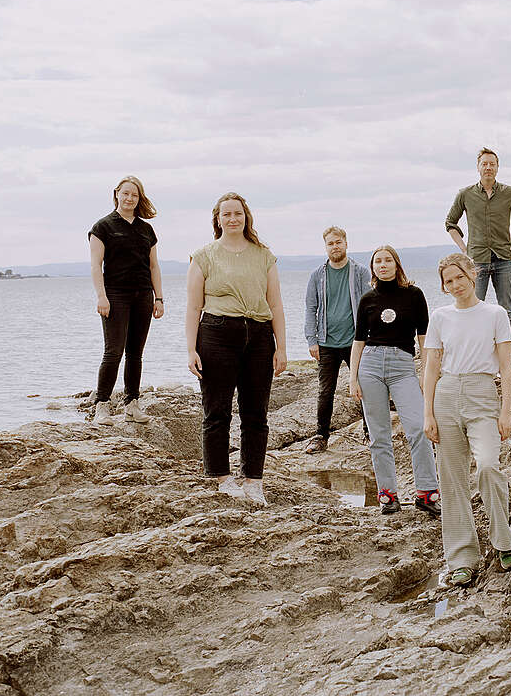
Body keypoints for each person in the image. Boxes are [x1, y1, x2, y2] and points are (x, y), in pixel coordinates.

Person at [185, 192, 287, 506]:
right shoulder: (204, 255)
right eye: (226, 214)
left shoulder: (263, 255)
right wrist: (191, 350)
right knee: (217, 411)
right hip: (216, 334)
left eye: (238, 214)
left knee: (255, 413)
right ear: (217, 219)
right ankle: (220, 476)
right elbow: (193, 307)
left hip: (258, 336)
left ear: (246, 218)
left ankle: (253, 480)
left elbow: (275, 304)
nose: (233, 219)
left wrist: (281, 347)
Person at [423, 253, 511, 588]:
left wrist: (506, 411)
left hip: (482, 394)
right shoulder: (440, 317)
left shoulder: (495, 313)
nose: (455, 285)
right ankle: (462, 557)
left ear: (472, 274)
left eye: (459, 277)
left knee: (489, 465)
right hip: (447, 395)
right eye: (448, 282)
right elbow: (431, 366)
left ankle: (503, 540)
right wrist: (428, 412)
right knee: (451, 480)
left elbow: (506, 366)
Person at [349, 245, 440, 517]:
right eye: (378, 261)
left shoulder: (414, 295)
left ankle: (426, 493)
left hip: (403, 366)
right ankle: (388, 496)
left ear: (397, 265)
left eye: (388, 260)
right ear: (373, 268)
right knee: (379, 435)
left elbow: (424, 340)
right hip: (371, 366)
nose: (383, 265)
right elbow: (358, 341)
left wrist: (426, 373)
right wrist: (353, 378)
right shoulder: (367, 299)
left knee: (419, 428)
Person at [88, 175, 164, 426]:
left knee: (135, 354)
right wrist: (102, 296)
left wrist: (159, 297)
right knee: (113, 352)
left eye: (135, 195)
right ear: (117, 194)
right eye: (126, 193)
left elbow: (154, 266)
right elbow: (96, 266)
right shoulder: (103, 227)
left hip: (142, 295)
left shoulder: (146, 230)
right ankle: (102, 405)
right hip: (115, 296)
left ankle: (132, 403)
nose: (130, 198)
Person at [445, 148, 511, 336]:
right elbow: (450, 223)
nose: (488, 167)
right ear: (478, 167)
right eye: (484, 164)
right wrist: (464, 249)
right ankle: (473, 351)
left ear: (497, 167)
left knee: (507, 310)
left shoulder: (510, 193)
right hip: (476, 261)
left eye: (492, 164)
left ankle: (507, 355)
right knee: (471, 307)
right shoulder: (465, 194)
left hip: (504, 259)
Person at [303, 226, 371, 453]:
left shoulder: (360, 272)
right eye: (330, 243)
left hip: (355, 342)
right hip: (326, 343)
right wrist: (312, 340)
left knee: (364, 388)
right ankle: (321, 436)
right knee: (325, 391)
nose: (335, 246)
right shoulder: (317, 276)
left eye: (338, 242)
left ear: (346, 243)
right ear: (326, 247)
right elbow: (310, 308)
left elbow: (369, 305)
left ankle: (369, 433)